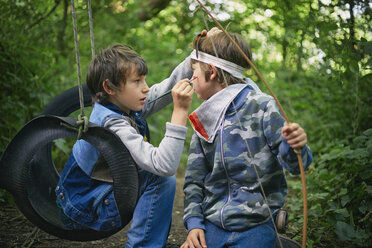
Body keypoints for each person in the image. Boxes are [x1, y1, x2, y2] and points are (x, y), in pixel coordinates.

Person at [181, 29, 313, 248]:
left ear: (211, 72)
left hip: (256, 225)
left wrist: (296, 146)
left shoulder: (262, 106)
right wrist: (194, 224)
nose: (190, 78)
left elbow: (297, 166)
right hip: (212, 225)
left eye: (193, 71)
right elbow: (194, 180)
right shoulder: (204, 118)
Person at [55, 44, 194, 248]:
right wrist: (180, 112)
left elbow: (165, 89)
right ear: (109, 88)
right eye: (137, 81)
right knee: (159, 177)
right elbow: (164, 166)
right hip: (81, 207)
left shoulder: (120, 104)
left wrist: (196, 57)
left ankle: (152, 242)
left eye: (144, 79)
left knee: (153, 174)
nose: (145, 87)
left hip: (84, 196)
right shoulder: (112, 124)